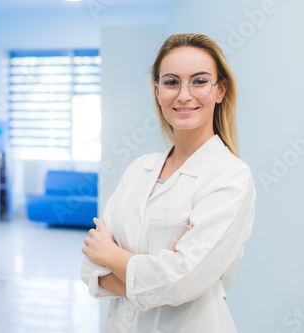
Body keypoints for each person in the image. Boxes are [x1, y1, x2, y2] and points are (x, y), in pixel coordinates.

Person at [80, 32, 256, 333]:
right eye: (172, 82)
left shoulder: (230, 176)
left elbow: (184, 280)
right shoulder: (139, 169)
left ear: (220, 90)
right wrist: (160, 275)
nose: (184, 95)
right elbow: (91, 270)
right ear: (158, 90)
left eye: (199, 81)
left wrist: (111, 254)